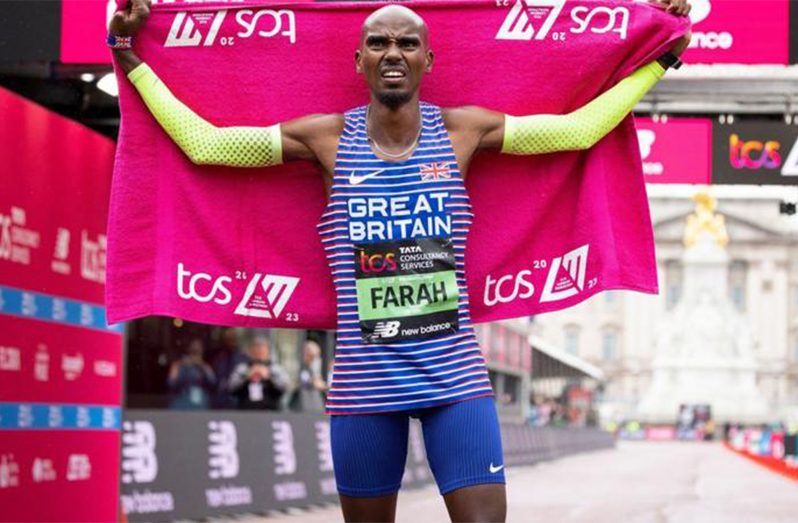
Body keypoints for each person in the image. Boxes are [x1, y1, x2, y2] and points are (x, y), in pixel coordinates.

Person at [109, 1, 692, 520]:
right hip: (364, 390)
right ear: (358, 58)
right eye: (379, 42)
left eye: (407, 42)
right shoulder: (326, 139)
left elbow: (578, 130)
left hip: (455, 381)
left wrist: (656, 62)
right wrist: (128, 54)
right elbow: (206, 145)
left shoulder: (464, 130)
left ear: (428, 60)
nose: (393, 52)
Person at [228, 336, 289, 410]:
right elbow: (231, 388)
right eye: (256, 349)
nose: (259, 352)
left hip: (271, 412)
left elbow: (284, 388)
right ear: (250, 352)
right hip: (245, 412)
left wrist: (269, 378)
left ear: (268, 352)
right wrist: (247, 377)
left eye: (262, 349)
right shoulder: (242, 368)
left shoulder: (275, 369)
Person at [166, 338, 215, 410]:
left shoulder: (205, 366)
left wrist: (202, 366)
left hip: (200, 403)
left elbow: (213, 382)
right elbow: (171, 383)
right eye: (193, 351)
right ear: (188, 350)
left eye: (198, 351)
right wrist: (180, 366)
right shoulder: (179, 365)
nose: (195, 354)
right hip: (181, 403)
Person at [209, 327, 247, 409]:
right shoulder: (218, 357)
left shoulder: (243, 358)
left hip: (236, 398)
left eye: (232, 338)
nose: (230, 341)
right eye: (227, 338)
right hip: (219, 397)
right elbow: (213, 377)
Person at [289, 338, 328, 413]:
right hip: (297, 404)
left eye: (316, 356)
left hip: (313, 406)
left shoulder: (313, 368)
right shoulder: (296, 365)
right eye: (311, 355)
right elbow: (294, 382)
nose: (313, 359)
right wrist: (312, 382)